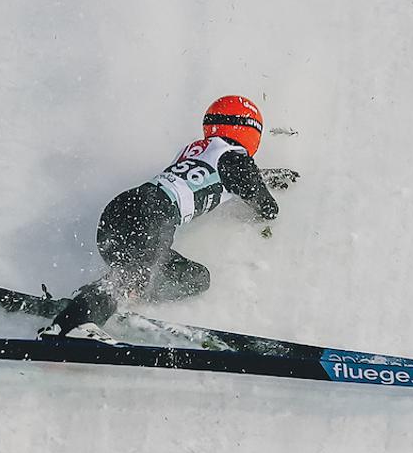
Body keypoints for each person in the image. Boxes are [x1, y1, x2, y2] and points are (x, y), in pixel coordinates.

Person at [39, 95, 281, 339]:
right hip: (154, 215)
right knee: (132, 276)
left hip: (123, 207)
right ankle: (73, 325)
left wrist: (261, 175)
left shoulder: (195, 150)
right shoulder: (236, 159)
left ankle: (97, 299)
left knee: (197, 278)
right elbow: (267, 208)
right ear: (251, 131)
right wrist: (267, 183)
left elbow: (221, 176)